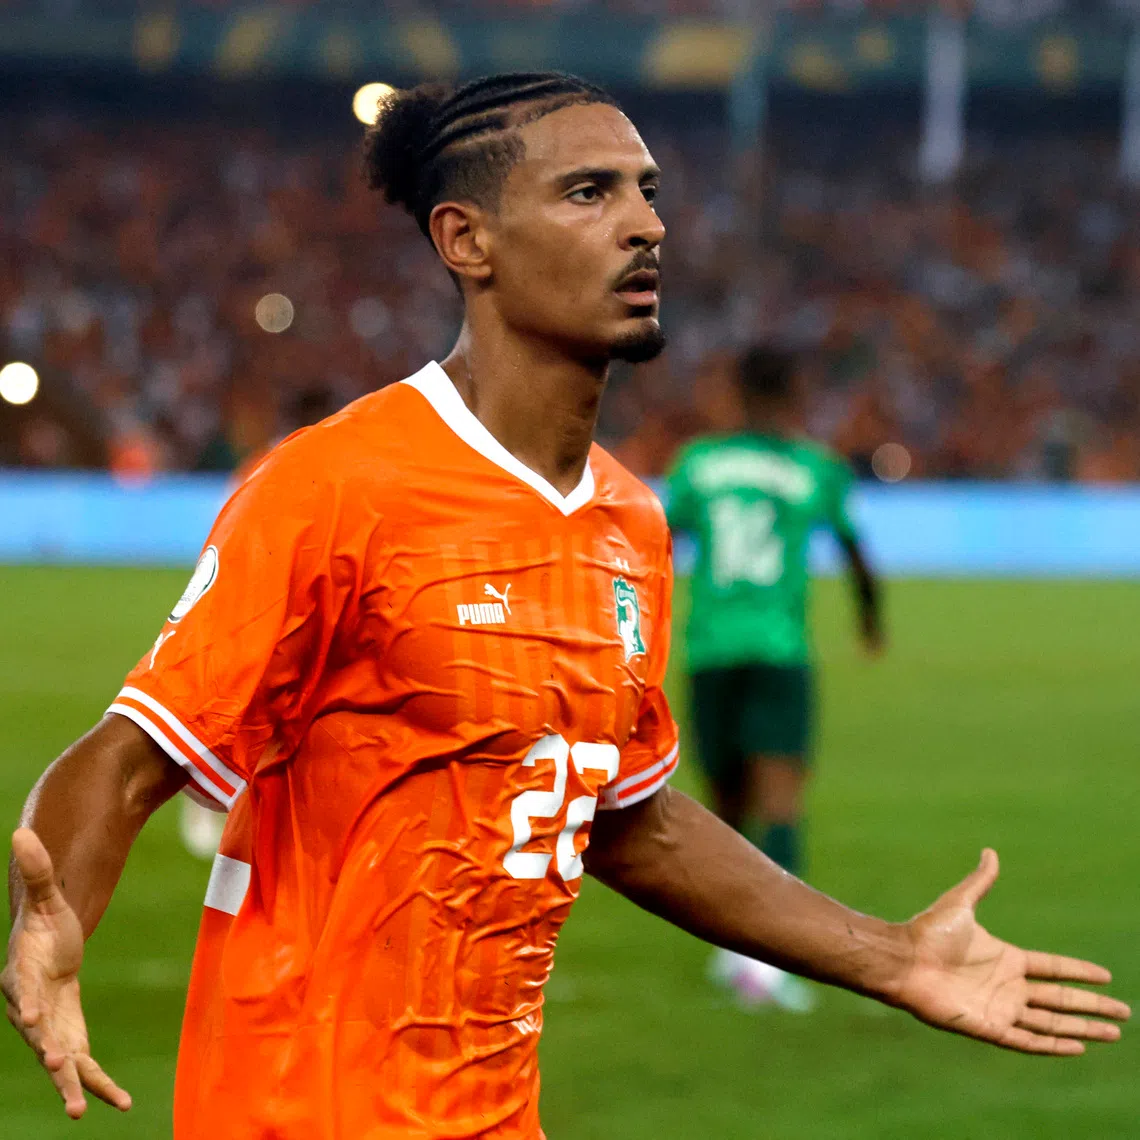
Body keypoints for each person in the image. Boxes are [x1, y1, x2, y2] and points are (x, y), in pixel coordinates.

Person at [3, 73, 1128, 1140]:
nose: (646, 225)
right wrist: (54, 920)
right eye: (590, 192)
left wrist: (894, 957)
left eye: (648, 192)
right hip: (307, 1111)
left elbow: (628, 816)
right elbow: (130, 754)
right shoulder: (338, 485)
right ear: (467, 240)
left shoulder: (632, 523)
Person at [666, 345, 882, 1011]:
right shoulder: (815, 468)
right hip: (779, 651)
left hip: (709, 650)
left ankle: (736, 949)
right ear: (793, 394)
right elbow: (854, 550)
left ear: (734, 392)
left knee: (724, 808)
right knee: (780, 804)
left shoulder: (698, 464)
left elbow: (657, 544)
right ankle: (769, 960)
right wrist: (871, 622)